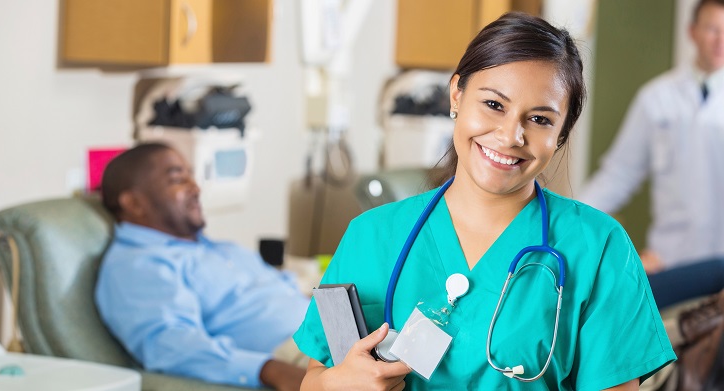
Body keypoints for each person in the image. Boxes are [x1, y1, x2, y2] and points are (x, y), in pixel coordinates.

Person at [293, 12, 676, 390]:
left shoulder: (599, 247)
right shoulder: (369, 237)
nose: (511, 136)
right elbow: (315, 377)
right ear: (456, 94)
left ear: (561, 134)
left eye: (540, 120)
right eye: (494, 104)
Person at [94, 142, 310, 390]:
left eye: (192, 176)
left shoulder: (219, 249)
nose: (195, 187)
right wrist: (270, 370)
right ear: (134, 204)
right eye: (177, 179)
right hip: (299, 354)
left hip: (328, 332)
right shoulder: (138, 264)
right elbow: (172, 345)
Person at [579, 0, 724, 276]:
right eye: (712, 29)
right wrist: (572, 218)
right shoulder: (656, 98)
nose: (720, 41)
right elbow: (618, 174)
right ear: (692, 32)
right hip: (670, 261)